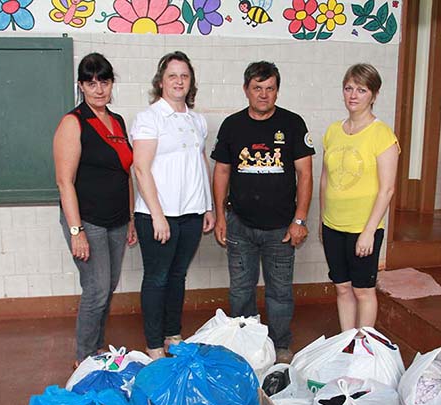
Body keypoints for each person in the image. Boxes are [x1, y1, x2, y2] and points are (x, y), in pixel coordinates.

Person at [211, 61, 314, 363]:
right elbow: (221, 172)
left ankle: (281, 346)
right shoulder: (232, 125)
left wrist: (299, 219)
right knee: (241, 292)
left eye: (270, 89)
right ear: (246, 90)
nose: (264, 94)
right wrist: (220, 216)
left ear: (277, 92)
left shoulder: (293, 124)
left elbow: (305, 174)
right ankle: (246, 346)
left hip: (281, 229)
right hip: (240, 225)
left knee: (279, 293)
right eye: (258, 88)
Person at [53, 53, 136, 368]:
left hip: (116, 220)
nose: (99, 89)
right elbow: (64, 182)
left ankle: (98, 348)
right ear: (81, 85)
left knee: (108, 287)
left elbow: (124, 173)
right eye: (91, 82)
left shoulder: (118, 122)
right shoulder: (73, 122)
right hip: (87, 221)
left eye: (104, 81)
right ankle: (84, 357)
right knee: (96, 289)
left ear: (112, 83)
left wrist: (128, 219)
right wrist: (77, 231)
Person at [131, 51, 215, 359]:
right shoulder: (148, 118)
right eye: (172, 76)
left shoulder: (197, 121)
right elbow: (140, 168)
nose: (179, 81)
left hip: (191, 214)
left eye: (184, 76)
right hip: (158, 215)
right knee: (157, 278)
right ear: (161, 81)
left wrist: (207, 206)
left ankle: (172, 334)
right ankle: (154, 344)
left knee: (178, 276)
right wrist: (157, 216)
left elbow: (199, 162)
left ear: (190, 82)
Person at [320, 63, 399, 330]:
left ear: (374, 95)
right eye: (348, 88)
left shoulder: (382, 134)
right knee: (342, 288)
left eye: (361, 90)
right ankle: (347, 343)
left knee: (362, 290)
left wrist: (368, 232)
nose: (353, 95)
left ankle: (365, 348)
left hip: (363, 228)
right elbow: (325, 179)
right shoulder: (332, 131)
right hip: (333, 225)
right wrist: (322, 221)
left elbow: (387, 189)